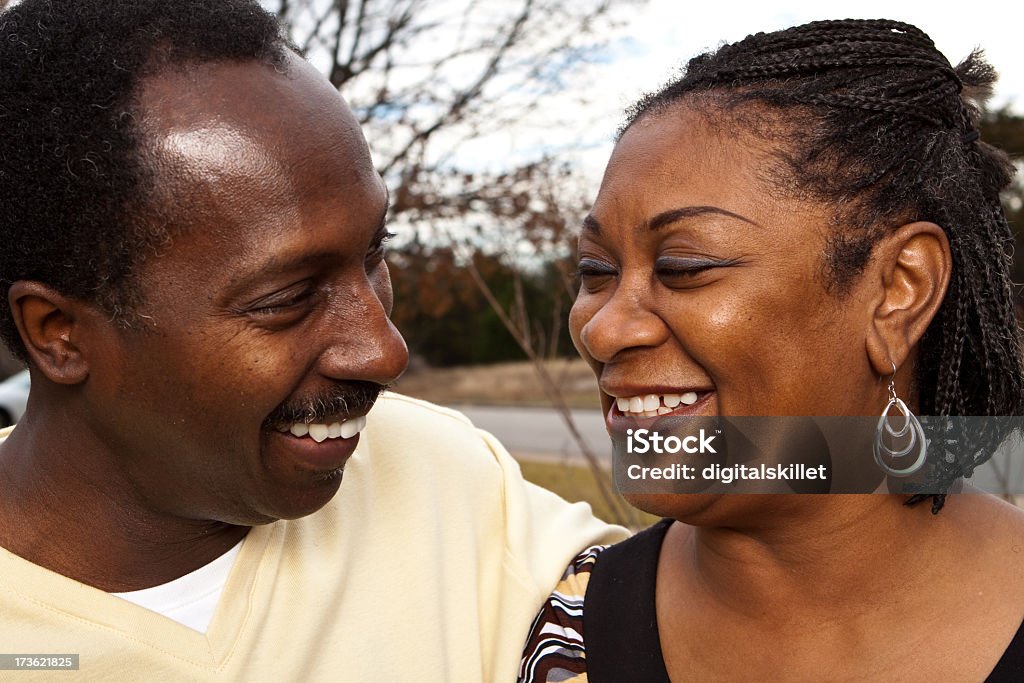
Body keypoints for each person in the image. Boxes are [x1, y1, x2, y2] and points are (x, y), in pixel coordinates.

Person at [0, 1, 626, 680]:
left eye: (374, 253)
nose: (385, 352)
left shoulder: (442, 473)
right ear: (56, 334)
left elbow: (689, 601)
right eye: (286, 300)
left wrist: (749, 442)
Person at [519, 19, 1024, 682]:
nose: (602, 329)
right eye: (595, 271)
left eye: (682, 265)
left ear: (899, 290)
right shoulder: (573, 632)